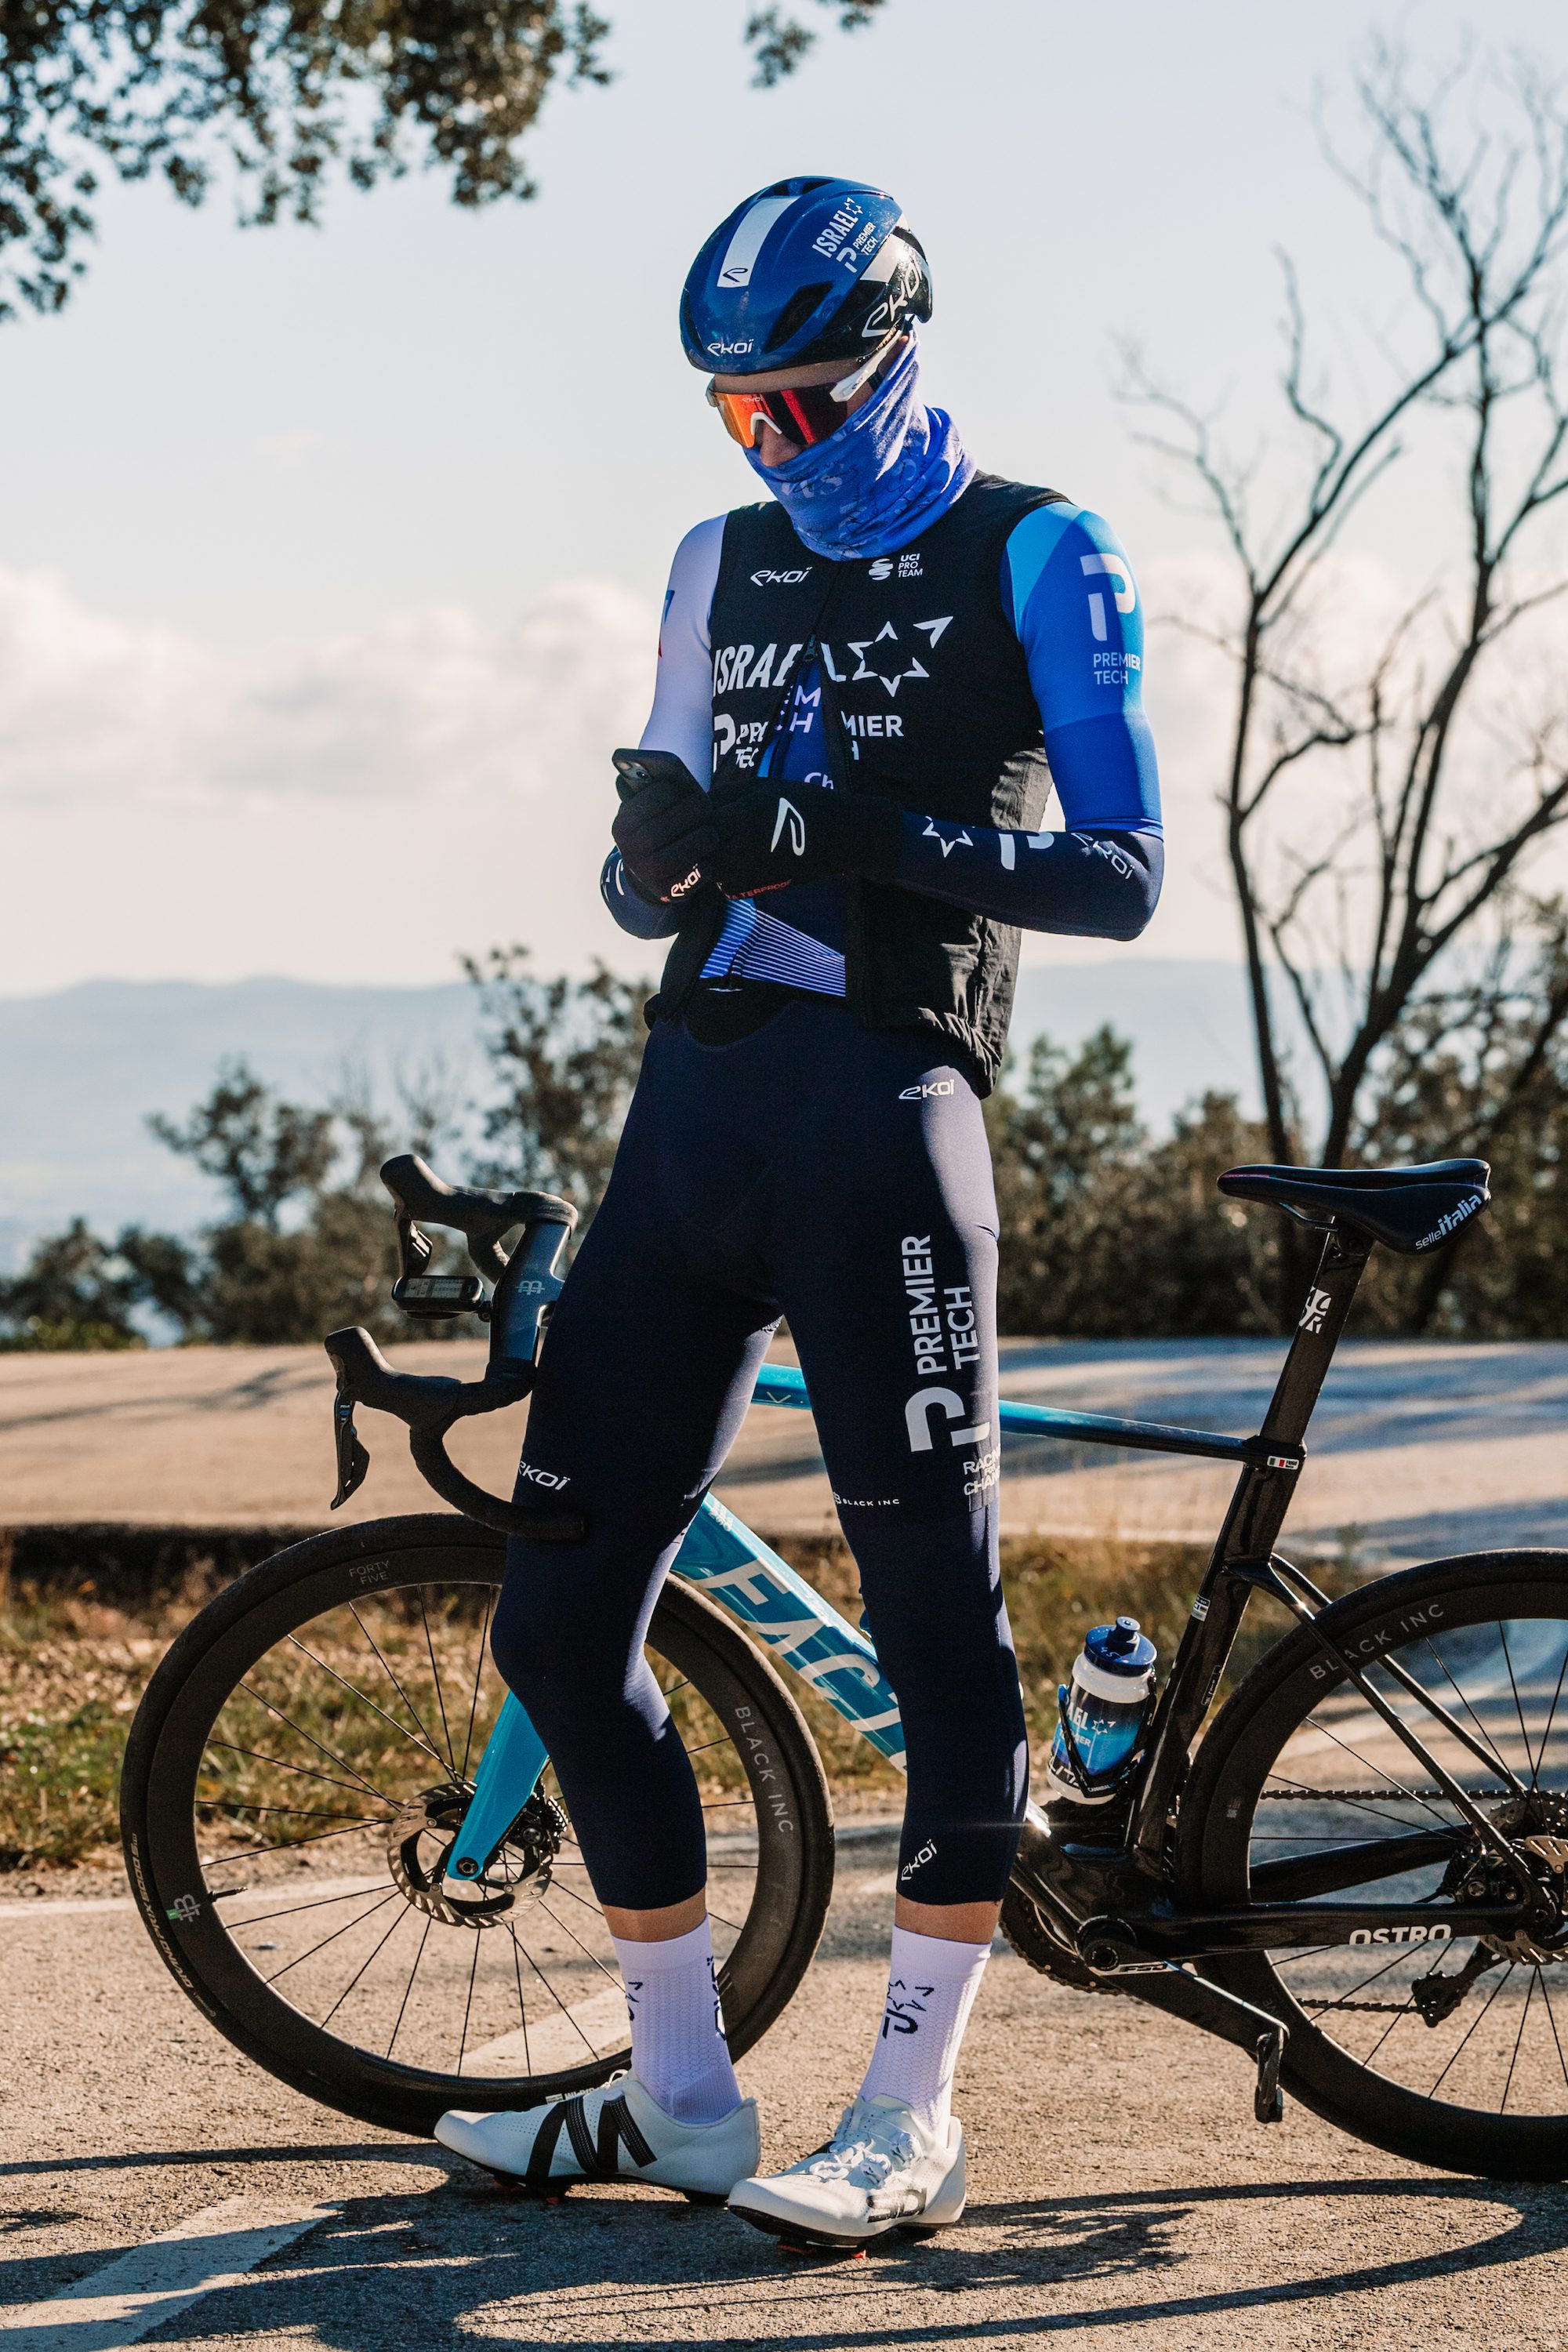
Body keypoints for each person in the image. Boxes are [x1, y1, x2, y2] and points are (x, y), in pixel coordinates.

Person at [436, 175, 1162, 2247]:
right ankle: (680, 2101)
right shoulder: (717, 559)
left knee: (938, 1631)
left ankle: (911, 2115)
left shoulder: (1040, 547)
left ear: (899, 358)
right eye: (736, 413)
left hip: (887, 1118)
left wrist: (830, 822)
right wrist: (652, 851)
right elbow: (648, 870)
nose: (773, 445)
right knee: (558, 1622)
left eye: (805, 405)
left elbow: (1118, 877)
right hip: (695, 1116)